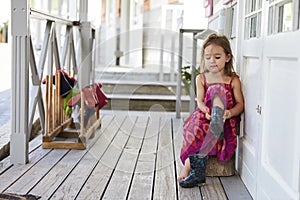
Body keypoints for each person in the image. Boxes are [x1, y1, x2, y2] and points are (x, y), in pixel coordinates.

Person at [178, 33, 244, 188]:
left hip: (226, 118)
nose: (212, 61)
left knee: (217, 90)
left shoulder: (233, 79)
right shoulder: (201, 78)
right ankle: (191, 166)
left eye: (217, 57)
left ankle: (191, 167)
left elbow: (240, 104)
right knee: (198, 128)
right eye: (208, 58)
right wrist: (207, 112)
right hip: (206, 115)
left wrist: (230, 113)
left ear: (227, 57)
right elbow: (200, 102)